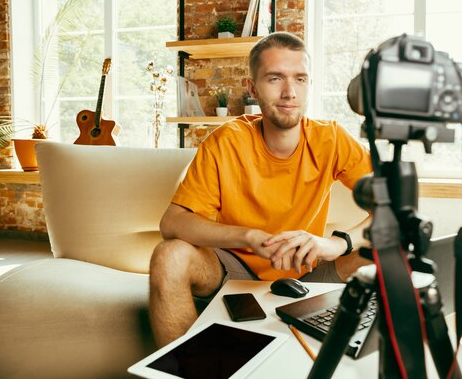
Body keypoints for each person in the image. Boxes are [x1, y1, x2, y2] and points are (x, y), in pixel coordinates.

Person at [149, 32, 372, 347]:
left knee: (393, 252)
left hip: (308, 272)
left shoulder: (331, 138)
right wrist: (249, 237)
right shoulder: (227, 141)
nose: (289, 92)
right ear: (252, 88)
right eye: (274, 78)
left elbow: (391, 212)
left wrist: (336, 244)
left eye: (300, 79)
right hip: (233, 269)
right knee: (168, 256)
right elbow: (171, 223)